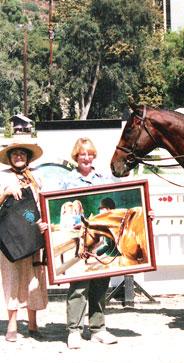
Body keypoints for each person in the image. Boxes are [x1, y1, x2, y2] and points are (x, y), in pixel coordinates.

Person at [61, 137, 118, 349]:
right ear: (76, 156)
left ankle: (98, 329)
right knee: (79, 285)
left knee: (100, 285)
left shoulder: (104, 177)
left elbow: (114, 202)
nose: (86, 157)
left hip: (101, 239)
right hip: (79, 240)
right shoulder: (67, 181)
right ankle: (74, 331)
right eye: (82, 154)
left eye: (90, 154)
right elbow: (60, 208)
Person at [0, 143, 48, 342]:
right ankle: (12, 323)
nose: (19, 156)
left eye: (22, 153)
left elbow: (42, 203)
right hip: (10, 234)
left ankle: (33, 323)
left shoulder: (37, 176)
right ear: (10, 157)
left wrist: (43, 223)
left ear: (28, 157)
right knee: (11, 276)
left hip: (33, 230)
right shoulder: (2, 176)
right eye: (15, 154)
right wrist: (5, 193)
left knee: (34, 277)